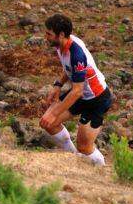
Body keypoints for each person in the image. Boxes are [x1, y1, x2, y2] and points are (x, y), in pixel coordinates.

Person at [39, 14, 112, 166]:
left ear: (61, 35)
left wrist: (54, 112)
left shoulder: (77, 54)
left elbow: (77, 91)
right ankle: (73, 161)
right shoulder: (61, 45)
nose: (45, 37)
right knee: (48, 123)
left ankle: (102, 170)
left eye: (49, 34)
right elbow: (68, 69)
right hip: (80, 95)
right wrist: (58, 85)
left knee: (84, 147)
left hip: (96, 99)